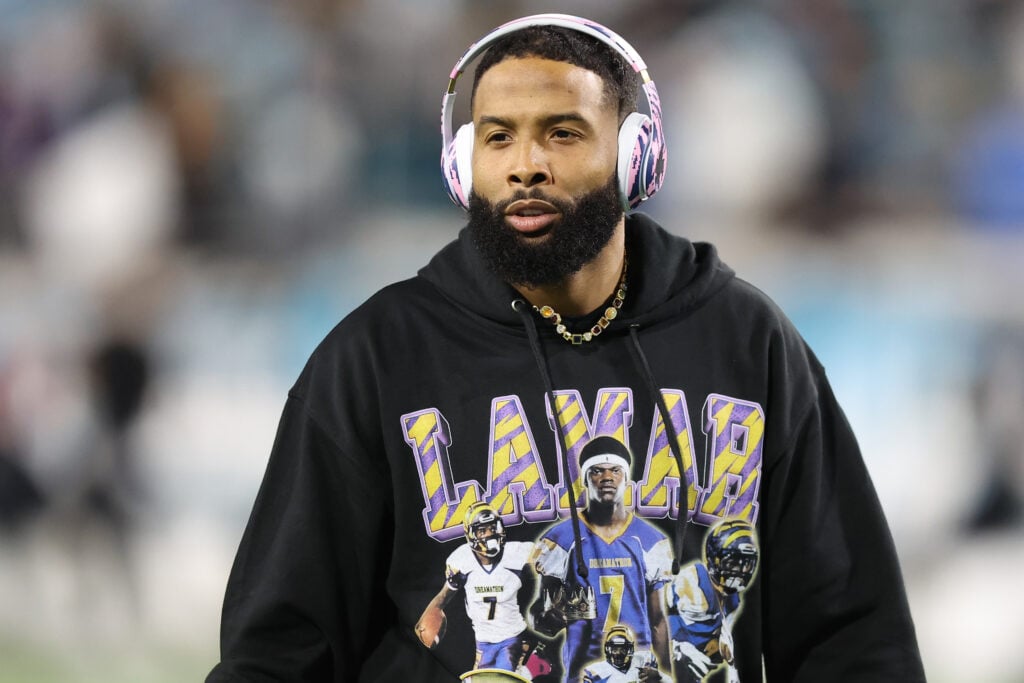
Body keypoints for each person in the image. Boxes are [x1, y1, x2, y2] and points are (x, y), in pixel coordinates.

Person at [207, 13, 925, 683]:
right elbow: (278, 650)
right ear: (463, 166)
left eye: (563, 133)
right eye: (498, 137)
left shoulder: (749, 343)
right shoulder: (374, 358)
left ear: (635, 155)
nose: (526, 165)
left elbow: (855, 640)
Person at [530, 436, 673, 681]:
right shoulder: (561, 539)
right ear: (585, 479)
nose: (607, 477)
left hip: (636, 672)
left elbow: (658, 621)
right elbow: (541, 612)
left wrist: (667, 677)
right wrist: (547, 618)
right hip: (584, 672)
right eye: (597, 471)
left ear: (626, 478)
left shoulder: (650, 540)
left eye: (615, 470)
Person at [415, 501, 539, 676]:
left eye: (492, 527)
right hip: (483, 641)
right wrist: (431, 613)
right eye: (482, 530)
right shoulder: (460, 560)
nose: (489, 534)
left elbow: (556, 560)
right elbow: (444, 596)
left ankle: (533, 664)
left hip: (512, 637)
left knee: (503, 679)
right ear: (471, 534)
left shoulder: (518, 553)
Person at [666, 520, 759, 682]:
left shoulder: (733, 600)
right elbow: (657, 616)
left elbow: (720, 639)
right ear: (714, 558)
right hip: (672, 654)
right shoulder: (693, 582)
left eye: (746, 564)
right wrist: (676, 649)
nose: (740, 571)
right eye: (732, 563)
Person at [581, 625, 666, 683]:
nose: (618, 653)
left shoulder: (643, 660)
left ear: (630, 649)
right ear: (608, 649)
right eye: (614, 649)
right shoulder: (596, 672)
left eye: (623, 649)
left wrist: (659, 677)